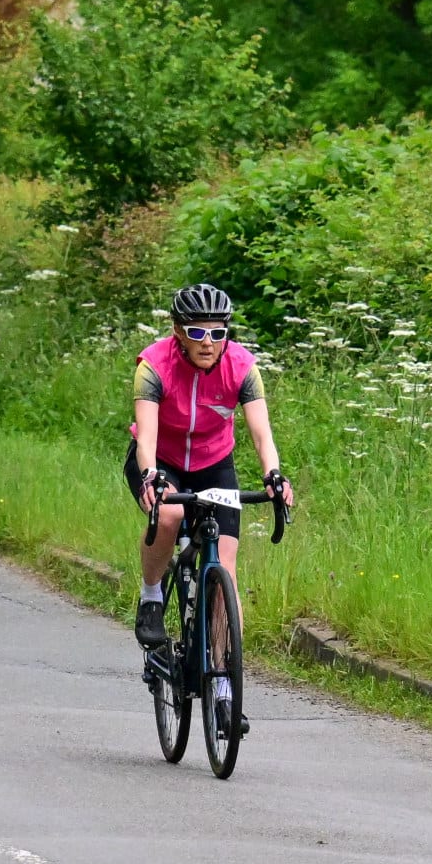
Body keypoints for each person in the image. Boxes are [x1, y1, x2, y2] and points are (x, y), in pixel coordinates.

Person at [127, 283, 295, 727]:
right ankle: (150, 597)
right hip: (161, 462)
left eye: (217, 334)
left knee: (226, 570)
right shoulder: (153, 365)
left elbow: (262, 434)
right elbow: (145, 437)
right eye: (197, 333)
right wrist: (150, 477)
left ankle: (222, 688)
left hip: (214, 465)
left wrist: (274, 476)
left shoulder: (243, 367)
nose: (207, 343)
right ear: (177, 332)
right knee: (170, 513)